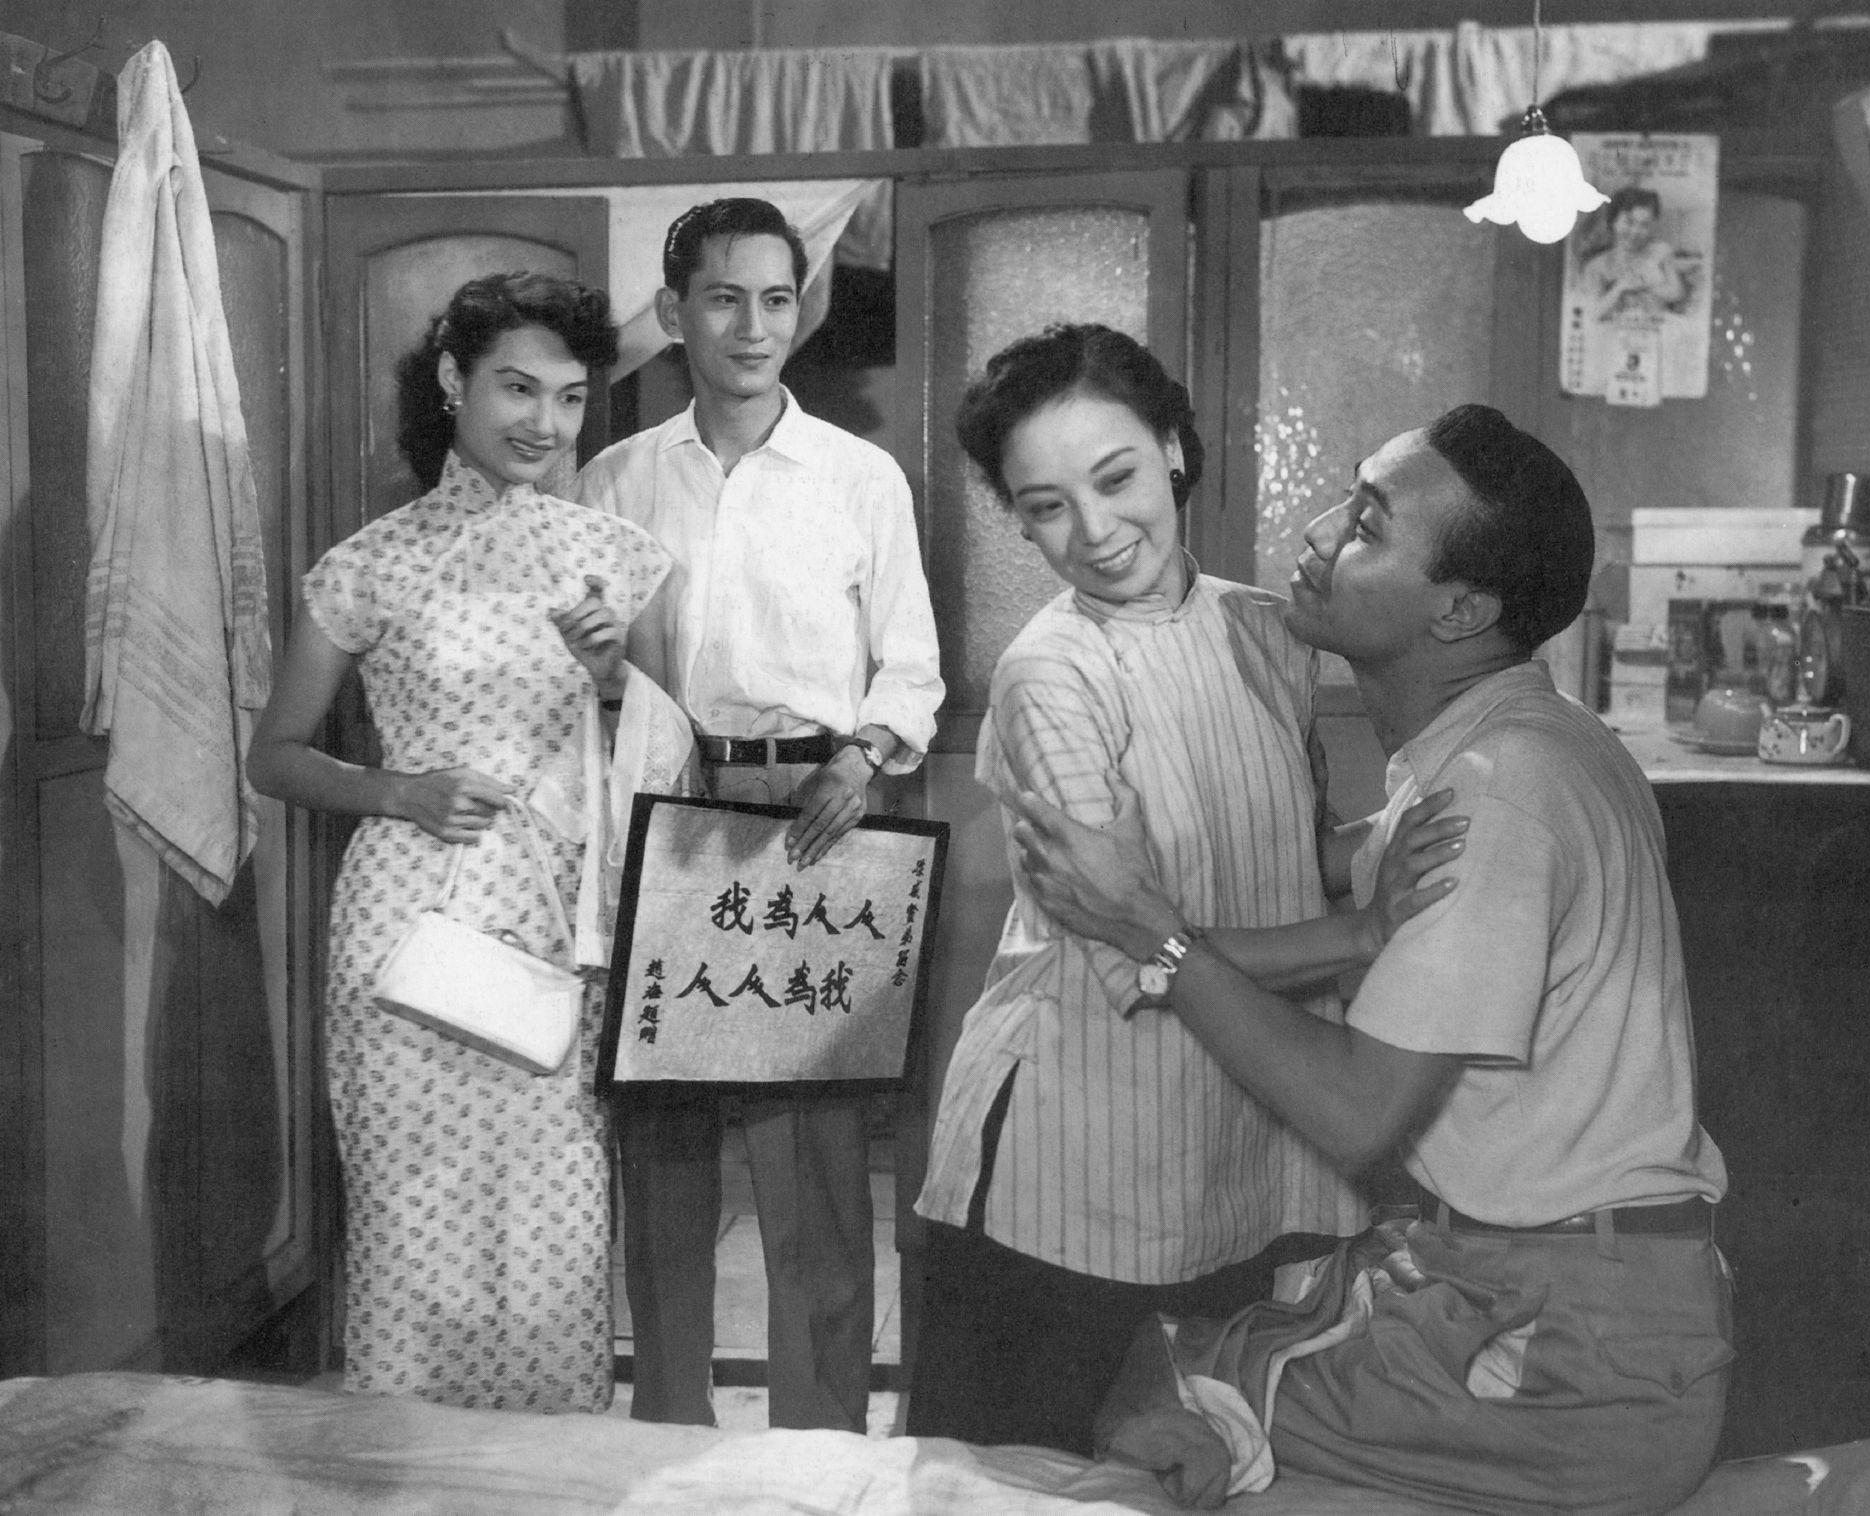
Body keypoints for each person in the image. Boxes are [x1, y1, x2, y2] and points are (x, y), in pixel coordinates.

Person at [1011, 403, 1733, 1514]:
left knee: (1167, 1396)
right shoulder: (1513, 747)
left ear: (1458, 608)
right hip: (1556, 1299)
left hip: (1564, 1354)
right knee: (1182, 1353)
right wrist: (1148, 919)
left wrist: (1144, 930)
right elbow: (1335, 913)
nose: (1312, 533)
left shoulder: (1497, 794)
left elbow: (1357, 1112)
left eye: (1362, 523)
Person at [903, 324, 1465, 1455]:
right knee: (1019, 1477)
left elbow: (1274, 852)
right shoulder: (1047, 672)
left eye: (1114, 478)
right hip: (1071, 1147)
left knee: (1202, 1462)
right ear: (1015, 516)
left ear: (1170, 448)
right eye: (1046, 504)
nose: (1095, 531)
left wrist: (1391, 844)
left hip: (1234, 1130)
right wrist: (1361, 928)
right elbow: (1139, 951)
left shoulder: (1265, 629)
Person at [247, 271, 674, 1412]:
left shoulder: (613, 557)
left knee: (556, 1226)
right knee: (414, 1219)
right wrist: (402, 791)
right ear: (452, 381)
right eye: (516, 388)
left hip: (554, 917)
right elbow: (275, 755)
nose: (543, 422)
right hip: (408, 924)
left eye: (571, 398)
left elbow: (665, 758)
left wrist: (609, 672)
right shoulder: (369, 564)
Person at [575, 197, 944, 1433]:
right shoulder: (614, 476)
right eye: (723, 298)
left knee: (818, 1171)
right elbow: (590, 671)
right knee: (665, 1152)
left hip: (814, 818)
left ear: (802, 308)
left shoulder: (860, 477)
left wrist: (867, 753)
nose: (751, 326)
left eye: (776, 299)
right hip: (663, 810)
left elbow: (912, 664)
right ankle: (669, 1442)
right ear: (675, 313)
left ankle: (820, 1454)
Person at [1580, 185, 1687, 323]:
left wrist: (1646, 286)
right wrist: (1620, 288)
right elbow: (1591, 315)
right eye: (1629, 222)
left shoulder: (1661, 251)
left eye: (1645, 225)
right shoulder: (1596, 267)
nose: (1636, 231)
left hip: (1658, 327)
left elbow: (1677, 293)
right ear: (1613, 222)